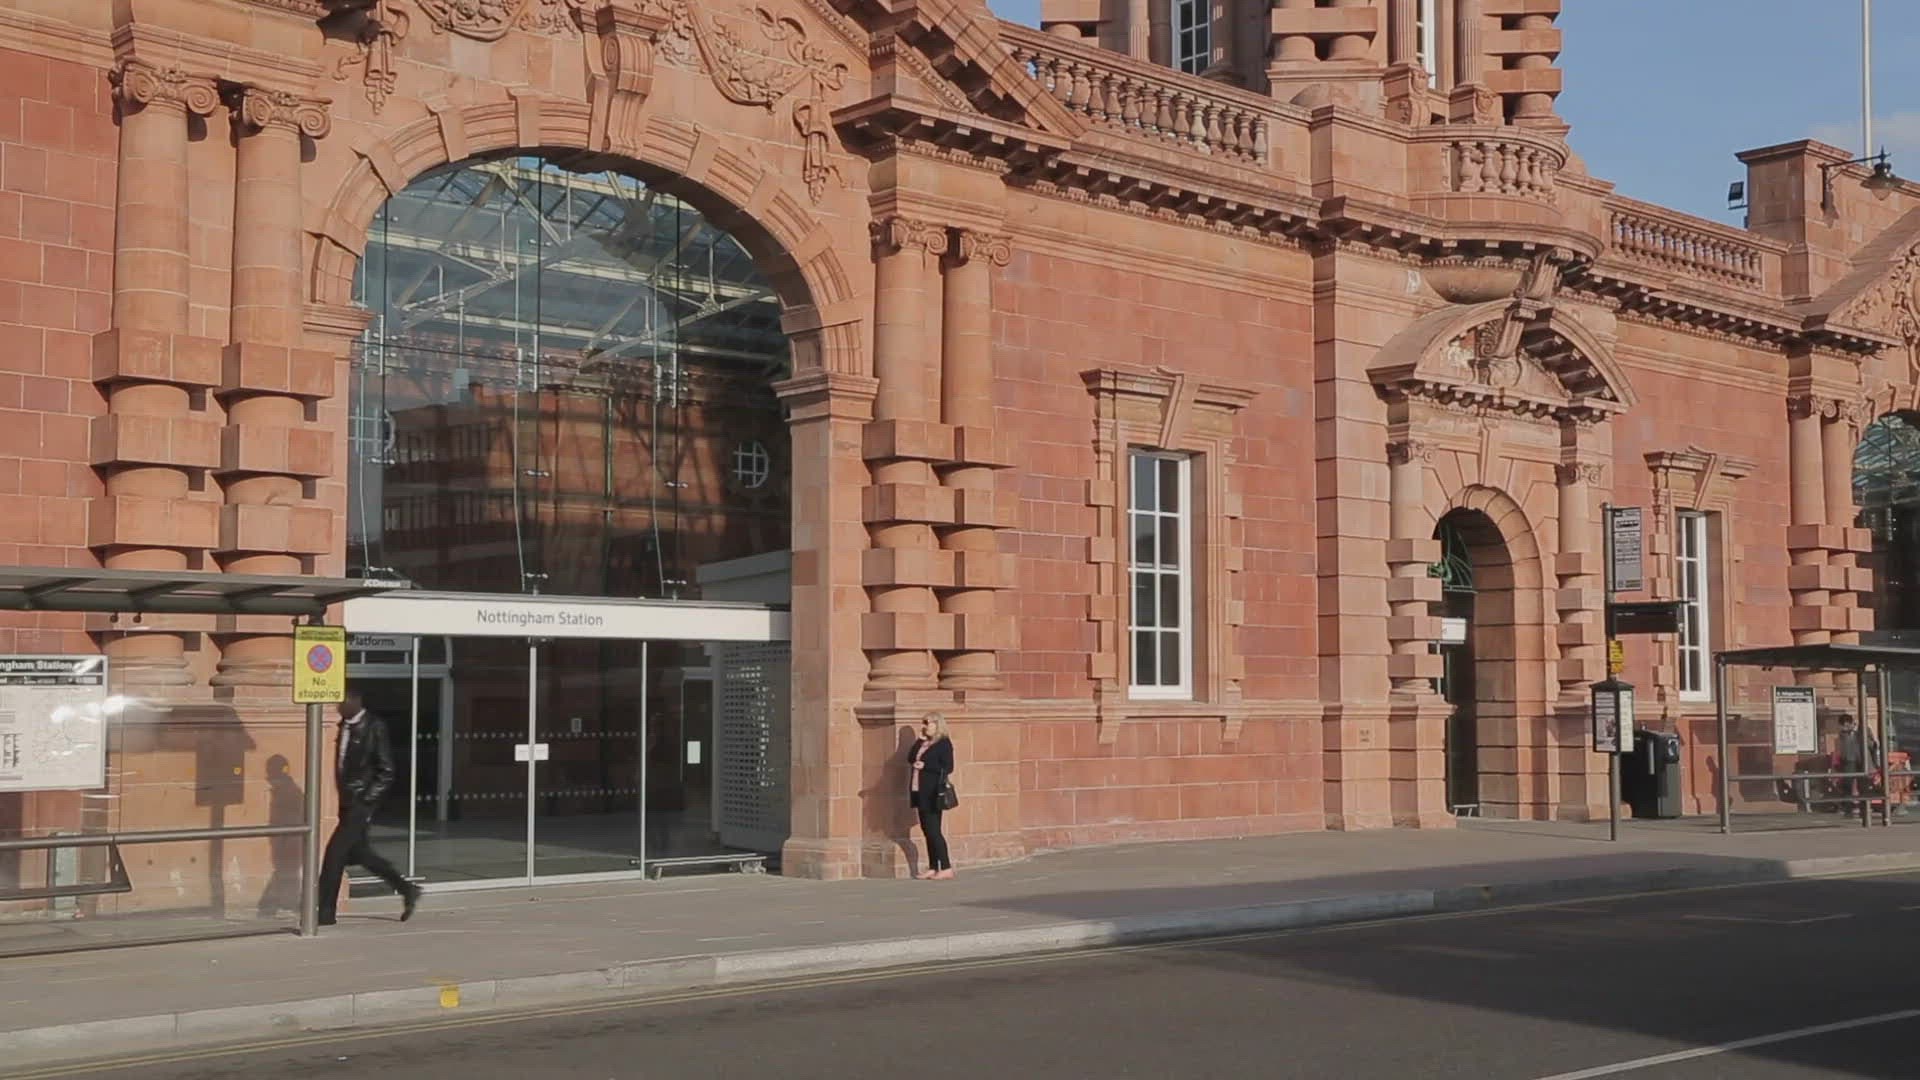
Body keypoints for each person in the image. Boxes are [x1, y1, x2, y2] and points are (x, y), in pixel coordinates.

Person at [317, 688, 422, 926]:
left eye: (343, 702)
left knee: (333, 856)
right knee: (361, 854)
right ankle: (407, 889)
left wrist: (365, 800)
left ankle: (325, 914)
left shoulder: (374, 726)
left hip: (359, 804)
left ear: (356, 700)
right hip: (346, 803)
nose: (339, 707)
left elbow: (386, 771)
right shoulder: (343, 726)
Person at [907, 711, 955, 880]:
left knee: (934, 831)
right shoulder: (925, 743)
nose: (924, 726)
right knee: (927, 830)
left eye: (927, 723)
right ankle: (934, 866)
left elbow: (948, 767)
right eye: (924, 722)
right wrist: (919, 740)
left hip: (932, 792)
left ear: (937, 724)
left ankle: (946, 867)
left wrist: (926, 766)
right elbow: (910, 758)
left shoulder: (943, 743)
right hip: (919, 790)